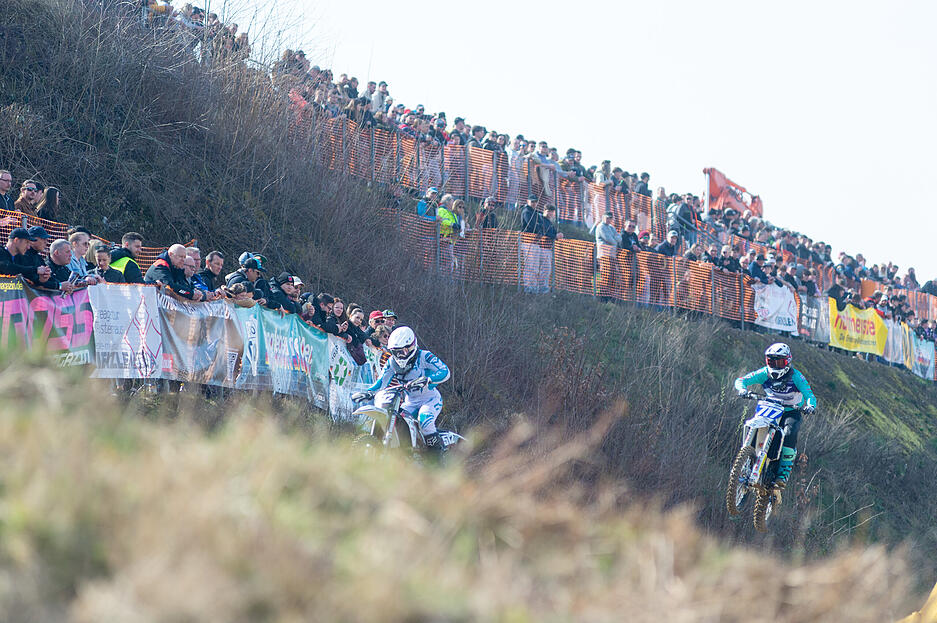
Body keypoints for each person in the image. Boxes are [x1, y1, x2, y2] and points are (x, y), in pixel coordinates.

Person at [734, 343, 817, 493]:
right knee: (752, 423)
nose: (776, 365)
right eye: (772, 361)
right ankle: (747, 457)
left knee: (789, 432)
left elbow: (809, 394)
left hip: (791, 411)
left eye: (780, 362)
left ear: (788, 361)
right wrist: (742, 389)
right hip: (769, 408)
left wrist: (810, 406)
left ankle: (782, 473)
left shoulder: (796, 377)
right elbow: (741, 380)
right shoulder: (764, 373)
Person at [354, 326, 451, 456]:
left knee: (425, 421)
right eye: (397, 351)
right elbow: (382, 381)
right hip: (410, 402)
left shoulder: (424, 356)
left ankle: (436, 460)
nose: (401, 355)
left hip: (429, 400)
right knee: (399, 421)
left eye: (404, 350)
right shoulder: (391, 362)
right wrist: (369, 392)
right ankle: (405, 453)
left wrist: (428, 379)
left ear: (412, 346)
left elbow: (445, 371)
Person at [595, 211, 621, 302]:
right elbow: (610, 240)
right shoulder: (600, 226)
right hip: (604, 255)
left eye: (610, 218)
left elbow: (619, 238)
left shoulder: (612, 228)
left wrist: (615, 239)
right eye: (607, 217)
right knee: (606, 275)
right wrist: (615, 239)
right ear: (603, 217)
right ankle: (603, 296)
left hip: (612, 255)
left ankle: (609, 295)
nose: (609, 219)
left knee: (612, 276)